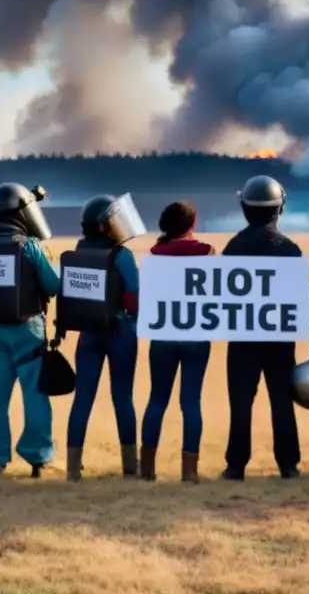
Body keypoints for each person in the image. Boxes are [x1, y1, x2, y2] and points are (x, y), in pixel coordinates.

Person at [0, 183, 60, 478]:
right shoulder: (29, 246)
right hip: (28, 329)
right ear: (22, 213)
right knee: (35, 395)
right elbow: (53, 285)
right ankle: (38, 459)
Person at [222, 176, 303, 480]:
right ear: (279, 209)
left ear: (245, 207)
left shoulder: (233, 247)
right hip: (279, 341)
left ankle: (235, 465)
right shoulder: (289, 249)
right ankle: (288, 464)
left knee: (240, 402)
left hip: (242, 340)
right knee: (282, 400)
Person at [61, 194, 143, 481]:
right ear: (103, 226)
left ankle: (72, 469)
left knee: (82, 400)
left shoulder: (78, 251)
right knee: (123, 398)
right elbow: (133, 299)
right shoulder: (122, 255)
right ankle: (131, 467)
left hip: (87, 335)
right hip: (120, 332)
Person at [140, 201, 214, 483]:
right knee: (191, 402)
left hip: (163, 336)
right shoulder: (207, 252)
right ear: (192, 224)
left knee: (157, 399)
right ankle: (189, 471)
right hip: (196, 335)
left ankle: (146, 470)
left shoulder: (155, 254)